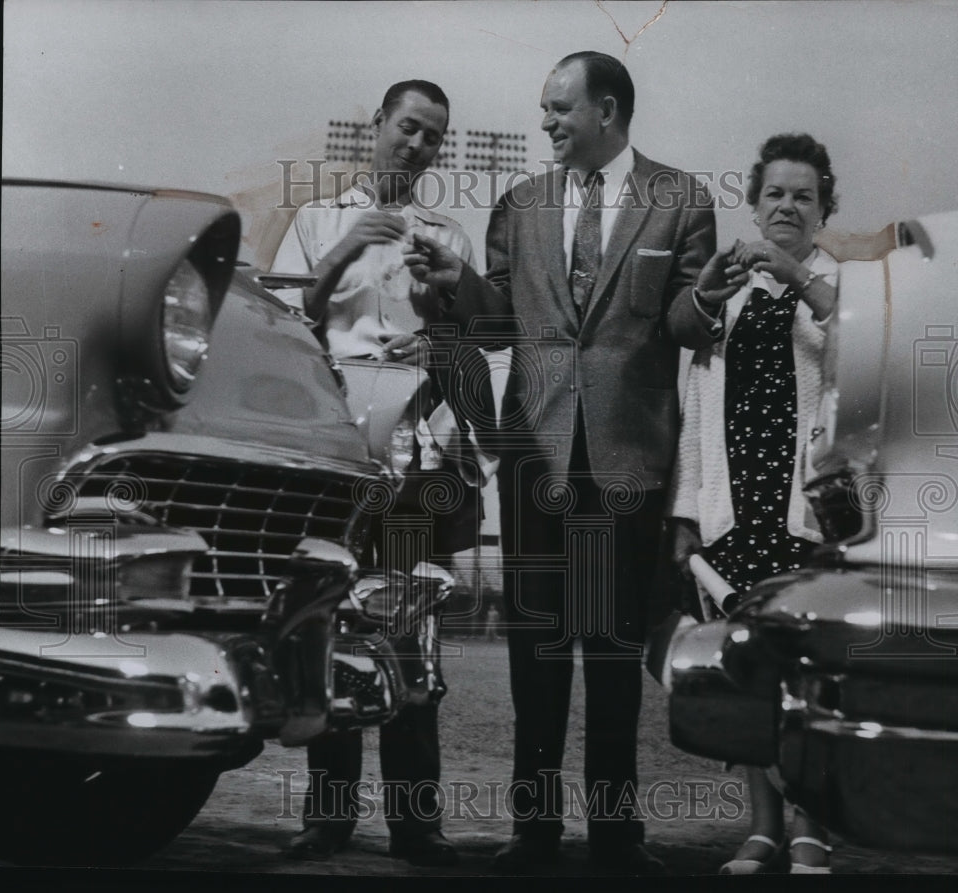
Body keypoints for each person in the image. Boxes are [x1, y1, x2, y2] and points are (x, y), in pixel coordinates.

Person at [405, 52, 730, 875]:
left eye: (558, 108)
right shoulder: (519, 205)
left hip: (629, 460)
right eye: (545, 108)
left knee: (617, 653)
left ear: (607, 111)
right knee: (537, 653)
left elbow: (688, 323)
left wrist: (708, 299)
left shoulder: (682, 199)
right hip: (535, 458)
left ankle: (618, 835)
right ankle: (535, 830)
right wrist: (457, 284)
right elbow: (497, 320)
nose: (545, 121)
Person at [270, 79, 494, 868]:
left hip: (412, 445)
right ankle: (328, 816)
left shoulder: (447, 236)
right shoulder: (315, 218)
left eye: (434, 135)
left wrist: (439, 345)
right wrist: (340, 250)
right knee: (331, 623)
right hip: (334, 443)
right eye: (408, 127)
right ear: (376, 127)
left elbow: (474, 347)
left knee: (405, 626)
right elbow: (283, 325)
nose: (418, 145)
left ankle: (416, 820)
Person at [667, 132, 840, 874]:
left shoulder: (841, 283)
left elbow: (859, 348)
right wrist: (685, 514)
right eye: (775, 193)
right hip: (736, 509)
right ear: (754, 199)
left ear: (824, 206)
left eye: (804, 195)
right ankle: (763, 826)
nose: (788, 207)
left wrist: (797, 276)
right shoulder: (728, 293)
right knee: (747, 678)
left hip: (809, 516)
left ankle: (812, 830)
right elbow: (696, 407)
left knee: (813, 680)